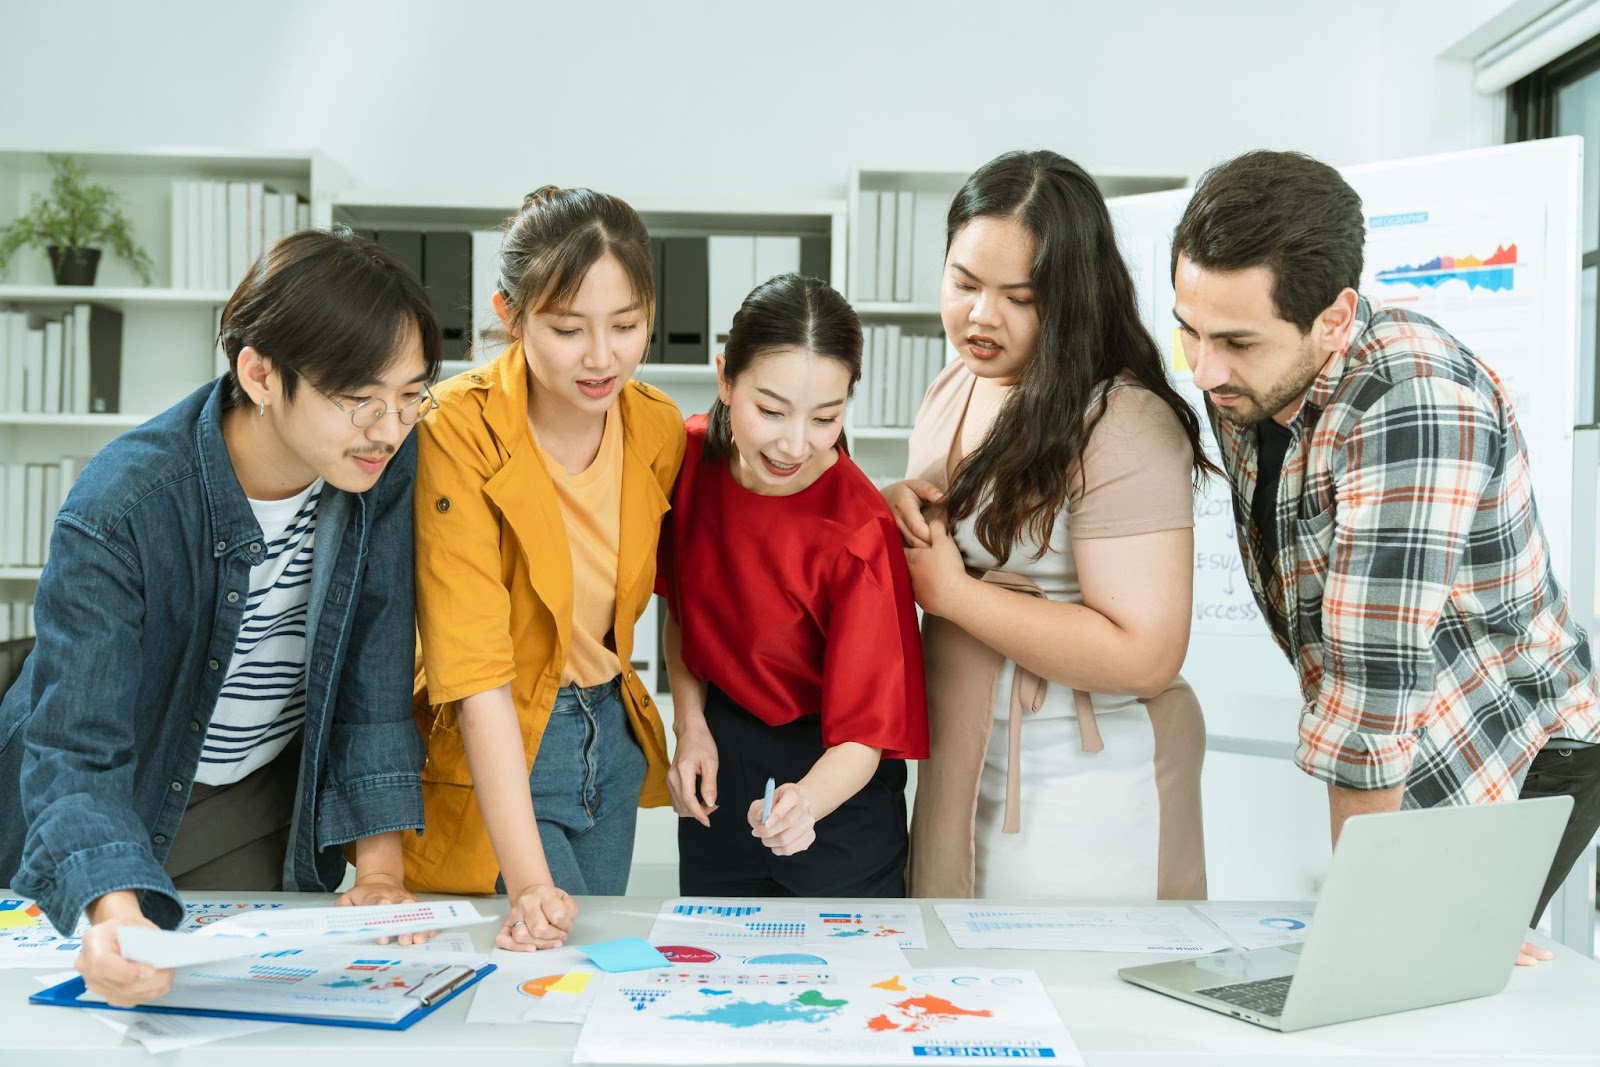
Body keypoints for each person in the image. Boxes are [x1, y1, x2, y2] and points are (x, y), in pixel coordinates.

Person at [1169, 149, 1600, 962]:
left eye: (1235, 341)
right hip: (1414, 735)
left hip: (1508, 748)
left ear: (1334, 317)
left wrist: (1367, 932)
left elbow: (1372, 683)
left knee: (1413, 986)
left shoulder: (1412, 403)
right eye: (1188, 330)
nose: (1205, 370)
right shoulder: (1248, 378)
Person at [0, 228, 442, 1007]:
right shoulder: (121, 505)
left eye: (411, 396)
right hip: (119, 791)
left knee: (244, 1009)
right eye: (360, 398)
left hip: (256, 793)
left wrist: (380, 873)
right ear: (261, 372)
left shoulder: (382, 460)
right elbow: (75, 747)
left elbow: (374, 669)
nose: (389, 425)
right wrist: (109, 904)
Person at [884, 150, 1212, 901]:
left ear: (1070, 298)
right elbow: (966, 516)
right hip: (964, 760)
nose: (979, 315)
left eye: (1019, 296)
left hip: (1083, 779)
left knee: (1069, 995)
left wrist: (955, 595)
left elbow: (1146, 654)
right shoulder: (955, 384)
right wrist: (899, 500)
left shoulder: (1120, 419)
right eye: (963, 283)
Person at [405, 186, 683, 951]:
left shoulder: (655, 425)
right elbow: (475, 666)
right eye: (567, 329)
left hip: (612, 742)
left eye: (626, 325)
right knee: (551, 963)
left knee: (583, 991)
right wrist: (528, 881)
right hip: (506, 742)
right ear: (510, 313)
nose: (603, 357)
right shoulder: (455, 430)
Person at [659, 272, 928, 896]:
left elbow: (865, 735)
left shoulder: (860, 532)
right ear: (725, 378)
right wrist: (690, 727)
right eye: (771, 410)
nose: (793, 443)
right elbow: (683, 613)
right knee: (710, 977)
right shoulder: (689, 461)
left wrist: (804, 804)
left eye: (824, 417)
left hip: (837, 789)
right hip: (721, 771)